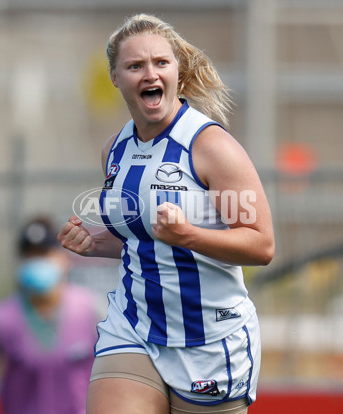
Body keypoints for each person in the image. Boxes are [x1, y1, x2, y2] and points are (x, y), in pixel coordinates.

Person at [58, 14, 275, 414]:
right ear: (115, 77)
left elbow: (260, 245)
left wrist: (189, 235)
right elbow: (143, 240)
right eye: (135, 66)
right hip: (133, 327)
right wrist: (95, 243)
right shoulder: (115, 150)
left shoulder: (210, 147)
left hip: (209, 337)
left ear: (176, 71)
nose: (149, 73)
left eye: (160, 63)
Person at [0, 216, 99, 414]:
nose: (37, 262)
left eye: (43, 254)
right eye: (30, 255)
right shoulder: (2, 319)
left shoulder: (89, 309)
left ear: (62, 257)